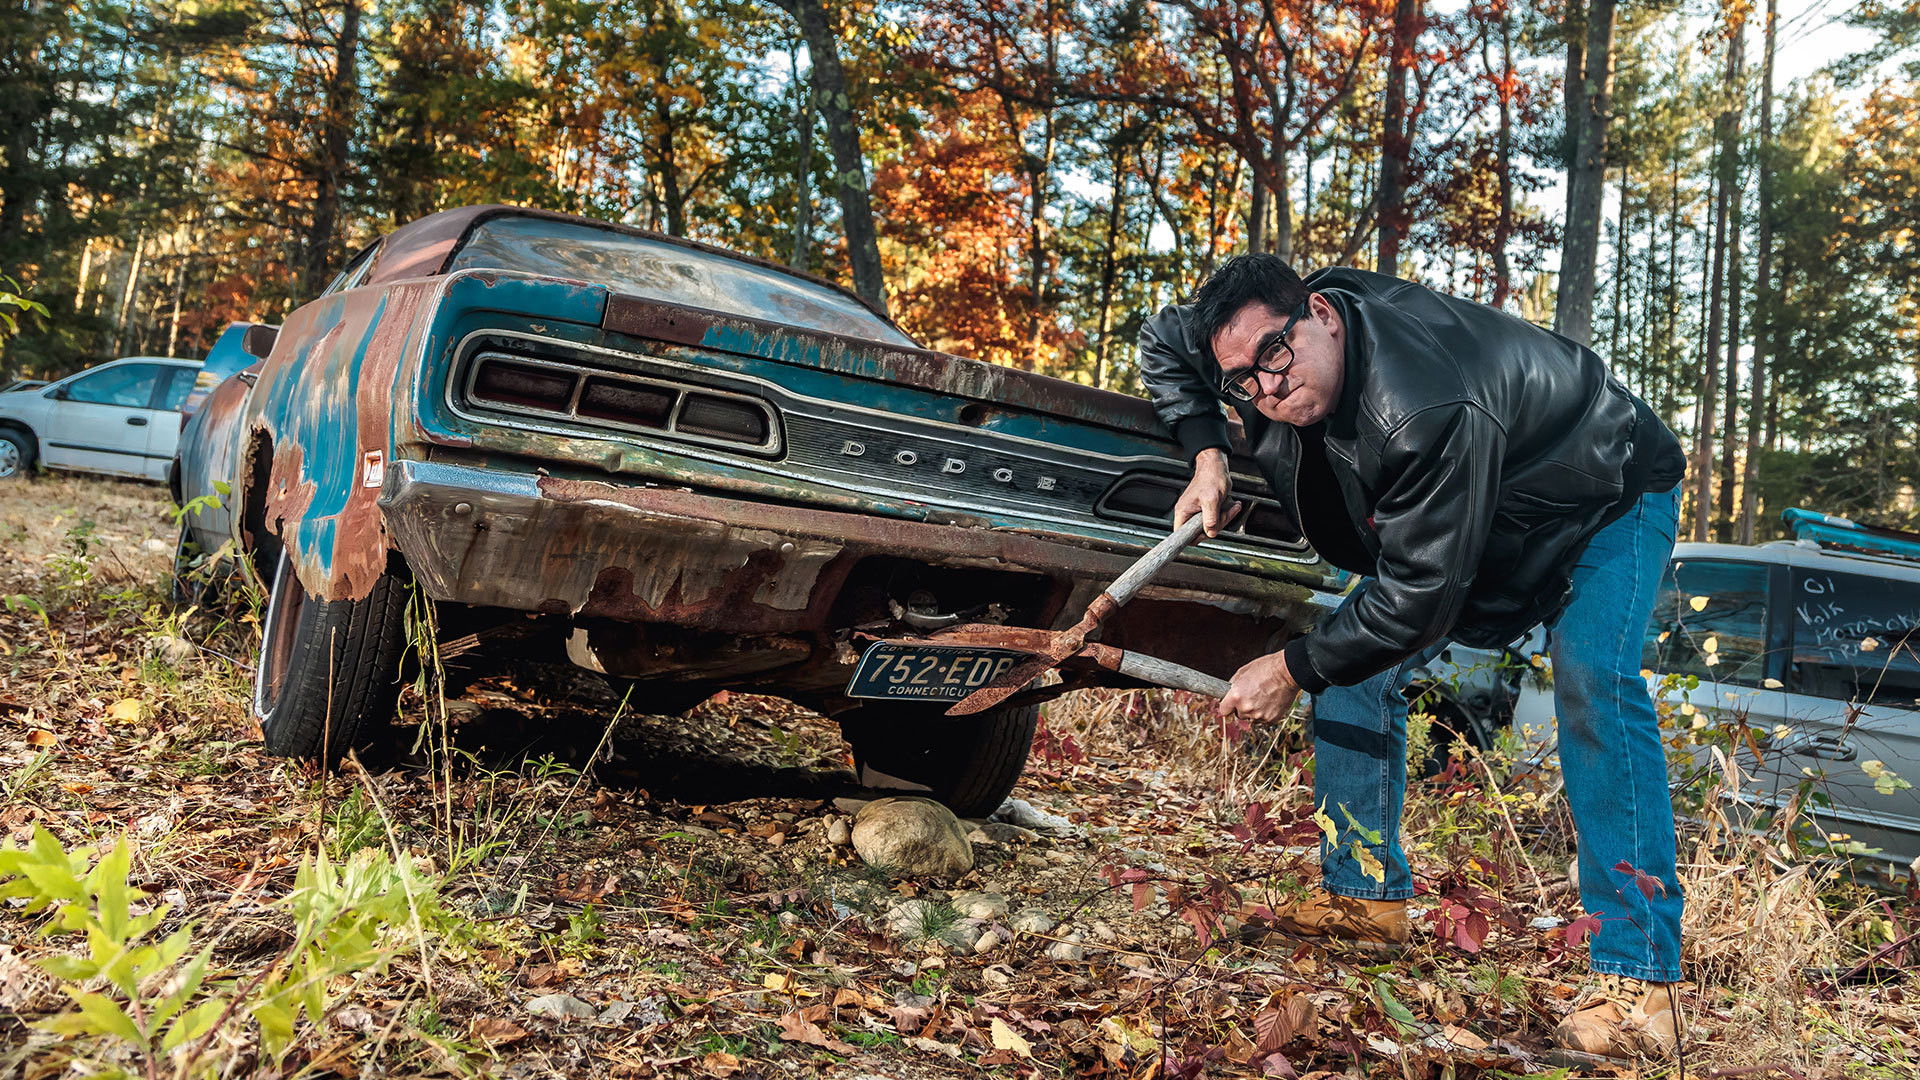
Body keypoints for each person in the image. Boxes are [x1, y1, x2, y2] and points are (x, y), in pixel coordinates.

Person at [1139, 255, 1689, 1062]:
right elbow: (1161, 340)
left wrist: (1290, 668)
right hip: (1485, 508)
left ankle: (1642, 982)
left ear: (1322, 315)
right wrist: (1206, 452)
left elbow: (1418, 596)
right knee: (1350, 660)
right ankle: (1365, 901)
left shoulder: (1424, 401)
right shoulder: (1261, 355)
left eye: (1274, 356)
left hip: (1602, 494)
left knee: (1592, 682)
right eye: (1242, 381)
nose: (1265, 390)